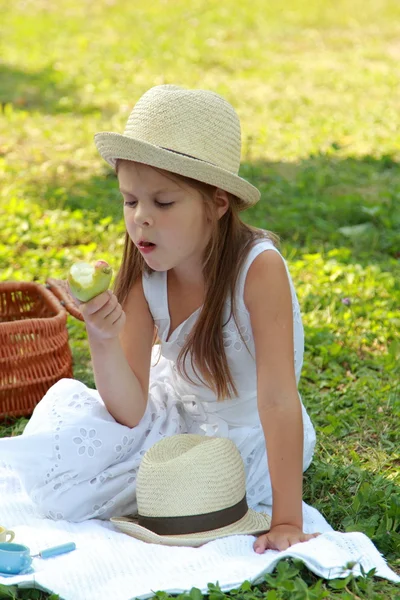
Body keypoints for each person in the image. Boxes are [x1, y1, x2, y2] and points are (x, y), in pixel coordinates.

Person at [0, 84, 319, 553]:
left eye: (163, 203)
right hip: (172, 412)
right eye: (130, 201)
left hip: (250, 432)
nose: (141, 219)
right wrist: (103, 339)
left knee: (185, 494)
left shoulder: (259, 269)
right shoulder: (143, 271)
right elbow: (129, 410)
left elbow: (276, 400)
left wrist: (287, 520)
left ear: (217, 204)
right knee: (70, 451)